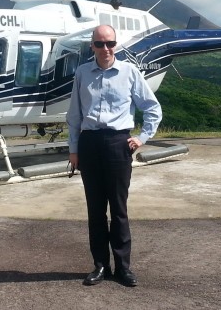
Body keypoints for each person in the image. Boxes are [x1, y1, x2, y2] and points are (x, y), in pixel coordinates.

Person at [66, 24, 162, 287]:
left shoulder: (130, 72)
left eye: (110, 43)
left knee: (119, 209)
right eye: (100, 44)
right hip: (89, 143)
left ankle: (123, 267)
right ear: (92, 46)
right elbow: (74, 116)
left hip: (119, 143)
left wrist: (142, 137)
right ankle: (100, 266)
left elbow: (152, 108)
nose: (105, 49)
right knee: (95, 210)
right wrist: (73, 150)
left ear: (116, 45)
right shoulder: (82, 73)